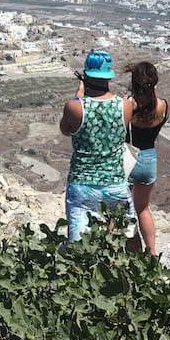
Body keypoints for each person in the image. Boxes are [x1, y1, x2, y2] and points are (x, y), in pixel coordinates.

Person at [60, 50, 137, 246]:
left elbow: (65, 130)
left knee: (79, 247)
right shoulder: (125, 106)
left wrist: (78, 95)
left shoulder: (74, 107)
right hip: (115, 183)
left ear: (85, 76)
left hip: (82, 184)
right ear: (108, 77)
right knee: (113, 245)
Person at [126, 61, 168, 254]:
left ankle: (130, 251)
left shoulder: (127, 105)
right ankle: (151, 254)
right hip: (149, 159)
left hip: (127, 159)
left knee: (122, 209)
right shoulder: (163, 106)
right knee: (143, 209)